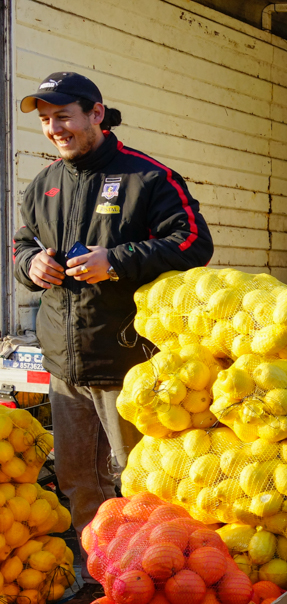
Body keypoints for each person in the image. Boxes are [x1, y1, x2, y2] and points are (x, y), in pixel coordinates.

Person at [13, 72, 214, 542]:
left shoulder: (148, 177)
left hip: (130, 361)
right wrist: (31, 265)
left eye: (63, 116)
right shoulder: (43, 184)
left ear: (96, 114)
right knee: (78, 480)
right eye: (45, 120)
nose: (53, 129)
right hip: (65, 362)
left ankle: (150, 569)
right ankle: (96, 572)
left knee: (139, 481)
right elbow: (23, 244)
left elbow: (192, 241)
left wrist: (116, 261)